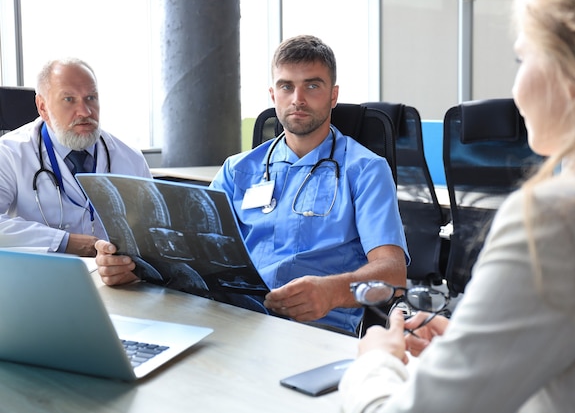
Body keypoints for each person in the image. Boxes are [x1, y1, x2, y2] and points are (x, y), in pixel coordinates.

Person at [340, 0, 575, 412]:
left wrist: (375, 362)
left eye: (521, 59)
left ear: (571, 75)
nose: (515, 89)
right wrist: (472, 346)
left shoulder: (559, 222)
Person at [94, 34, 409, 335]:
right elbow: (192, 246)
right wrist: (131, 265)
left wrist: (332, 291)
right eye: (286, 86)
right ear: (273, 95)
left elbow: (393, 273)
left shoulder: (365, 170)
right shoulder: (239, 169)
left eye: (312, 85)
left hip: (314, 326)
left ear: (333, 95)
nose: (298, 99)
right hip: (232, 315)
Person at [0, 58, 151, 257]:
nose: (85, 111)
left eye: (91, 98)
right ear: (42, 106)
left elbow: (152, 231)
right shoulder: (10, 153)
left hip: (117, 279)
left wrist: (130, 266)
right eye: (69, 99)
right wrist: (64, 241)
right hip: (42, 276)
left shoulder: (130, 157)